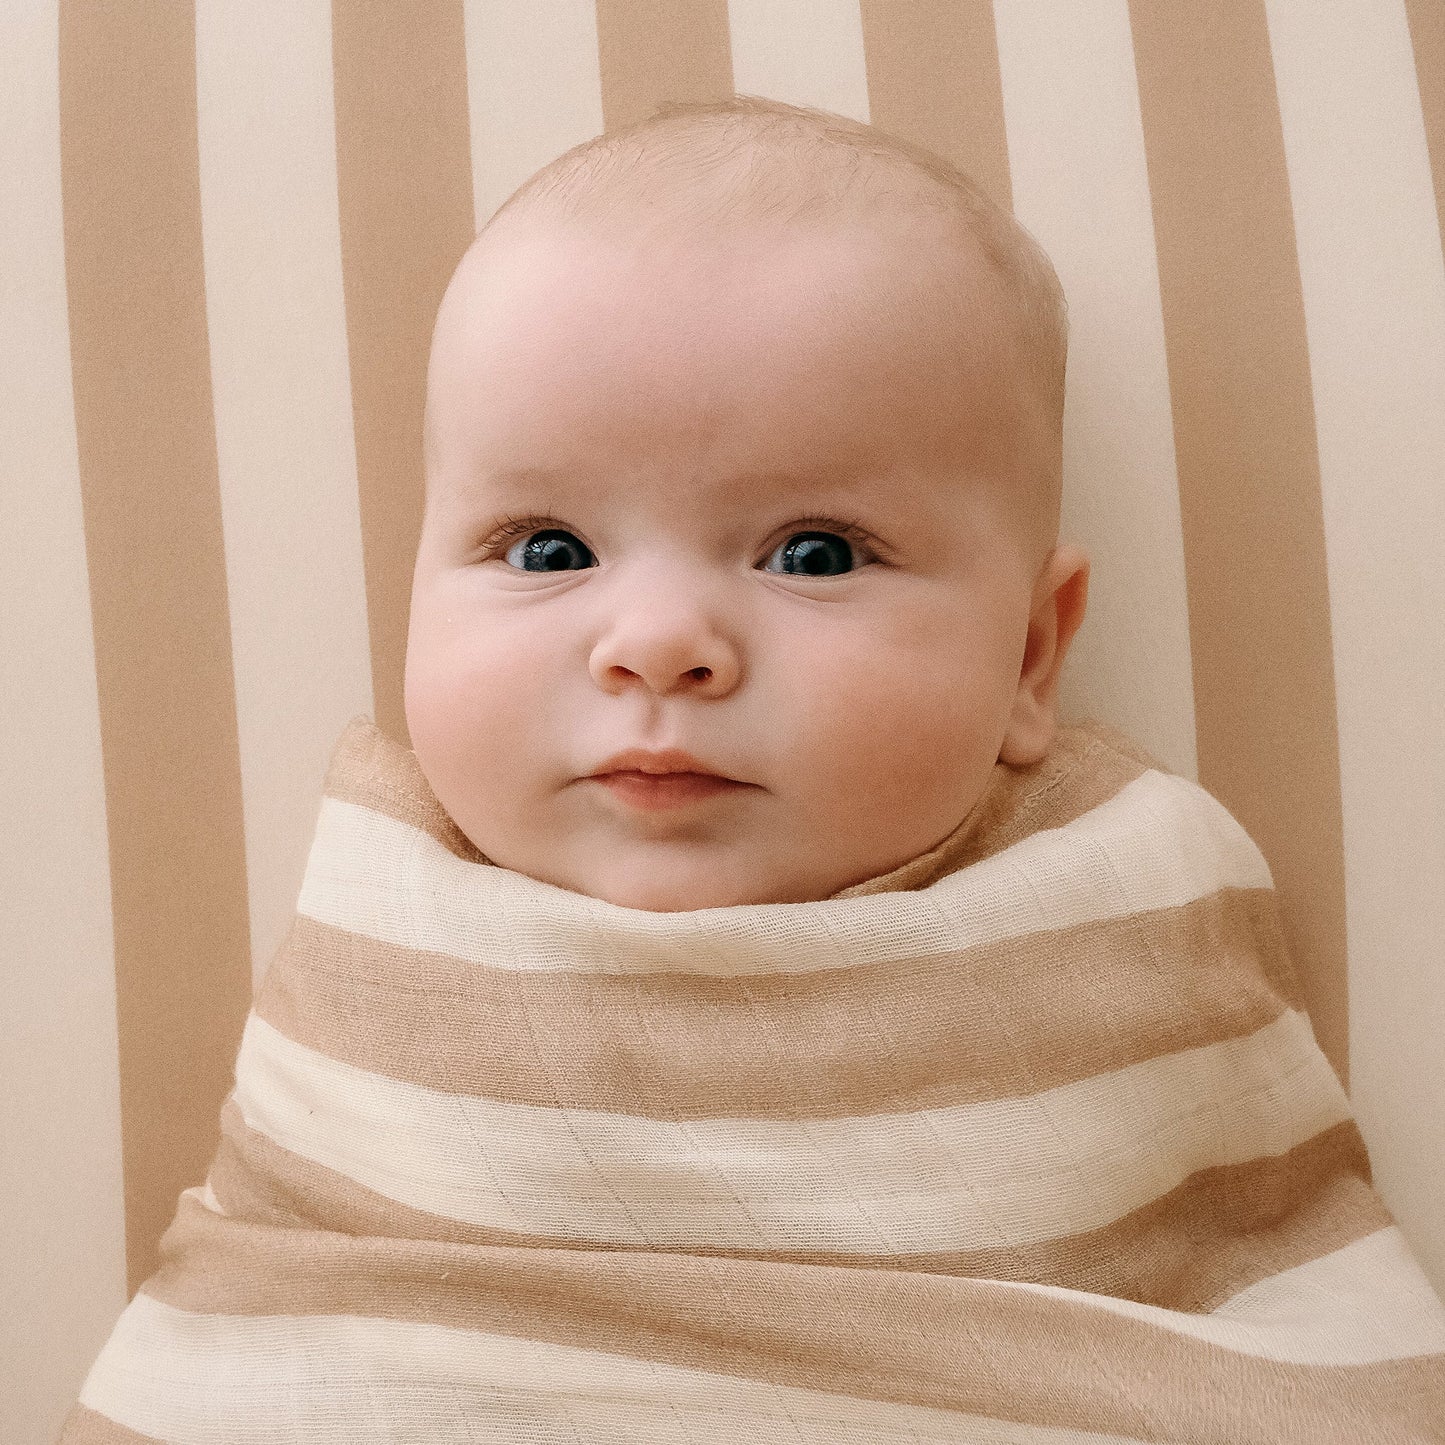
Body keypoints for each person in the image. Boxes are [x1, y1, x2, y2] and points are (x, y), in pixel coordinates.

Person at [61, 95, 1445, 1443]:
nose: (659, 644)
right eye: (547, 548)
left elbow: (1248, 1313)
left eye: (814, 553)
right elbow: (280, 1304)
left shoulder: (1119, 900)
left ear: (1029, 657)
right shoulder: (383, 916)